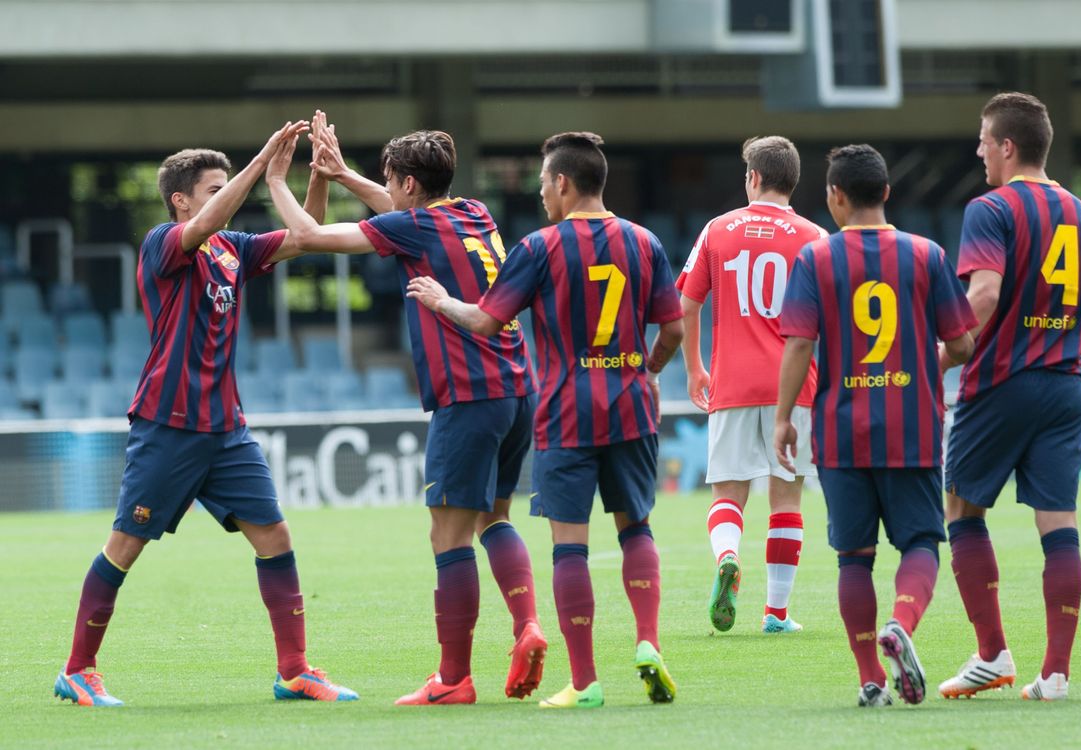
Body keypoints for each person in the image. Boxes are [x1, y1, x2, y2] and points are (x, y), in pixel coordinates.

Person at [54, 115, 359, 707]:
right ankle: (77, 669)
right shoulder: (163, 244)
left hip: (226, 428)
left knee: (274, 535)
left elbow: (306, 235)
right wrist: (264, 163)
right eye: (214, 189)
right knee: (125, 545)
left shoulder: (232, 250)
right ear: (181, 200)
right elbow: (208, 222)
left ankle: (294, 670)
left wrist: (314, 174)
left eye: (225, 187)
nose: (225, 198)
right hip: (168, 424)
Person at [265, 126, 545, 706]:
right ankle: (527, 626)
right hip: (518, 389)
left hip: (467, 396)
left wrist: (276, 179)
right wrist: (342, 176)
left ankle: (453, 681)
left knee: (448, 536)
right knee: (494, 518)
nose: (388, 189)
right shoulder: (473, 213)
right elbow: (397, 211)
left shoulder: (411, 226)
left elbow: (308, 234)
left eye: (392, 180)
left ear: (409, 183)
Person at [407, 132, 684, 710]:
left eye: (541, 185)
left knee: (570, 548)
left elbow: (485, 322)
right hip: (632, 402)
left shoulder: (538, 247)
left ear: (562, 182)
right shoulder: (644, 241)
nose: (540, 196)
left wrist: (438, 301)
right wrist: (649, 371)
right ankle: (649, 642)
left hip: (566, 412)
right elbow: (674, 330)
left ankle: (584, 683)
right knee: (637, 529)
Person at [773, 144, 976, 707]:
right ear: (887, 192)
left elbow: (798, 343)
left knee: (853, 557)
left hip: (841, 431)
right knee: (919, 543)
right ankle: (903, 624)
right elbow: (961, 341)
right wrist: (925, 361)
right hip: (911, 426)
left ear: (835, 197)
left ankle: (871, 678)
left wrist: (786, 417)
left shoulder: (815, 259)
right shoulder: (927, 255)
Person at [938, 92, 1081, 702]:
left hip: (999, 384)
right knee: (1058, 524)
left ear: (1008, 147)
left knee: (963, 511)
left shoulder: (991, 208)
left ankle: (992, 654)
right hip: (1067, 385)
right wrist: (1057, 346)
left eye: (985, 141)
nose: (980, 150)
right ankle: (1057, 675)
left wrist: (937, 357)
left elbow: (983, 297)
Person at [676, 135, 825, 634]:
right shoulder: (815, 237)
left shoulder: (718, 230)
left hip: (733, 383)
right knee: (786, 500)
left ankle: (727, 558)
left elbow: (686, 304)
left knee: (728, 495)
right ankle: (777, 614)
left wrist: (696, 367)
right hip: (795, 385)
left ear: (754, 178)